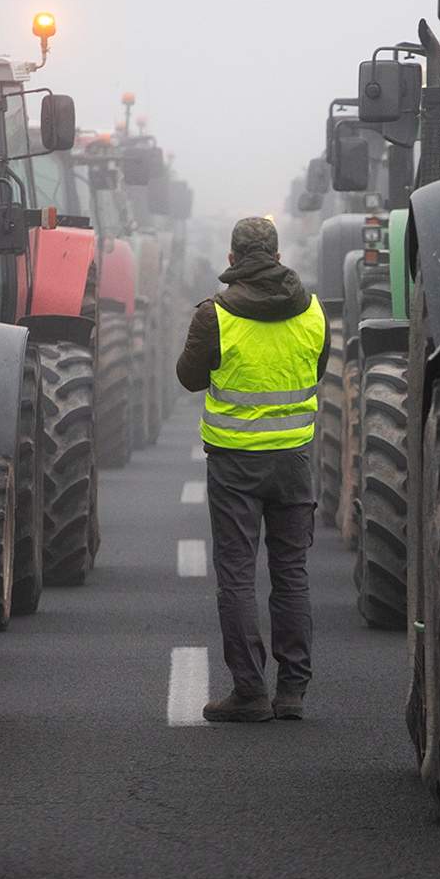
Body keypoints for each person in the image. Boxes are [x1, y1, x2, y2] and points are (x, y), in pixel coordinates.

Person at [176, 216, 330, 721]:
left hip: (235, 466)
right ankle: (293, 692)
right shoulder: (313, 313)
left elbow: (189, 378)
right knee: (291, 574)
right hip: (293, 463)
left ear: (231, 260)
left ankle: (250, 692)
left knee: (238, 576)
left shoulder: (214, 316)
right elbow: (316, 372)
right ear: (279, 255)